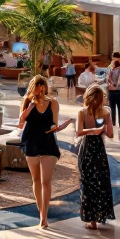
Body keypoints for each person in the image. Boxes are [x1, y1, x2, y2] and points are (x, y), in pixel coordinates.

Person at [18, 75, 72, 227]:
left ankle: (44, 216)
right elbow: (21, 122)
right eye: (37, 87)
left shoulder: (53, 103)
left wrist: (56, 127)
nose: (40, 90)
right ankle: (41, 211)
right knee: (35, 180)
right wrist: (30, 107)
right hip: (31, 142)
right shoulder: (28, 102)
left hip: (48, 142)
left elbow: (54, 123)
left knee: (46, 181)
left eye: (42, 87)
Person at [76, 84, 116, 230]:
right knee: (100, 181)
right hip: (97, 148)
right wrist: (100, 129)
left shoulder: (83, 112)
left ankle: (91, 219)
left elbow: (79, 132)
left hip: (87, 148)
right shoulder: (105, 112)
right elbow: (110, 134)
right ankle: (99, 215)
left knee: (88, 182)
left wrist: (100, 128)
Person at [106, 52, 120, 136]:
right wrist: (111, 67)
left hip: (119, 91)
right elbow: (106, 78)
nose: (114, 60)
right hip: (111, 90)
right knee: (112, 109)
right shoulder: (110, 67)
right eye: (113, 59)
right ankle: (113, 125)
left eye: (114, 58)